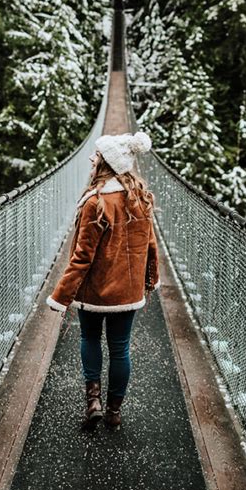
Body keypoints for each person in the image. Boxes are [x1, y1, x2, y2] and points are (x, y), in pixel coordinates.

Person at [46, 131, 160, 432]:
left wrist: (61, 296)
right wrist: (152, 279)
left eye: (96, 155)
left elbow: (82, 258)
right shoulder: (140, 198)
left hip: (95, 291)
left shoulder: (94, 203)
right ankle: (114, 411)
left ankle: (93, 403)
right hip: (128, 290)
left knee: (90, 339)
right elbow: (150, 245)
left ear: (106, 163)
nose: (91, 158)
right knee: (120, 348)